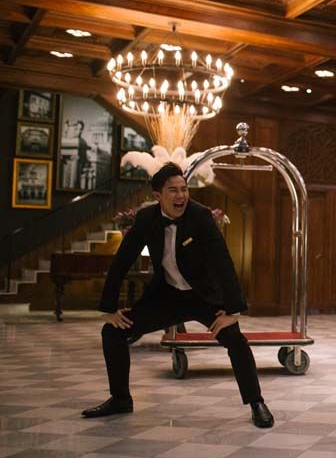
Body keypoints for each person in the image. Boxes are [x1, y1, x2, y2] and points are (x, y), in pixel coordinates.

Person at [81, 162, 274, 428]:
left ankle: (256, 403)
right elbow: (122, 261)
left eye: (184, 189)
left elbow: (223, 261)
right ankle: (120, 399)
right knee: (112, 332)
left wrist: (233, 310)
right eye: (173, 190)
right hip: (167, 295)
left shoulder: (201, 216)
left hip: (205, 296)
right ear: (158, 196)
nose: (181, 195)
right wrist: (109, 308)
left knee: (235, 340)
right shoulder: (146, 218)